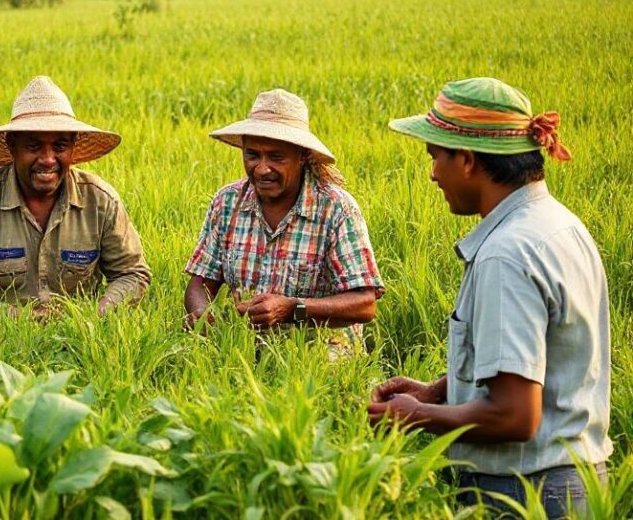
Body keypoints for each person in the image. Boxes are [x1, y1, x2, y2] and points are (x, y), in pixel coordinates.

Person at [367, 77, 611, 518]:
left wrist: (414, 416)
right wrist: (436, 392)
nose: (432, 173)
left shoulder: (506, 254)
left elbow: (514, 416)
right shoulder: (560, 226)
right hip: (576, 482)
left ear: (466, 160)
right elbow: (541, 362)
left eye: (435, 157)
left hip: (523, 492)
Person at [183, 88, 384, 353]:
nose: (262, 168)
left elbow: (365, 304)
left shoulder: (336, 209)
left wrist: (293, 309)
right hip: (245, 342)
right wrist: (201, 313)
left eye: (276, 157)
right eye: (252, 155)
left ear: (302, 156)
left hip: (321, 345)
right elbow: (200, 282)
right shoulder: (227, 202)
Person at [0, 76, 150, 321]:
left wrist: (96, 316)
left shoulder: (101, 201)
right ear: (12, 146)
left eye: (59, 146)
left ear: (73, 147)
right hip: (0, 342)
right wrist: (20, 319)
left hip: (79, 340)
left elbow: (131, 274)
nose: (48, 159)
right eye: (33, 147)